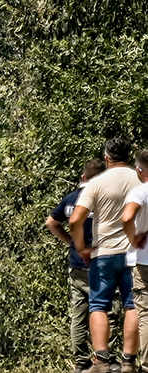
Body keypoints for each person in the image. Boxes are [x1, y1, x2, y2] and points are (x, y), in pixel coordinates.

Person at [72, 138, 142, 373]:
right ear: (130, 157)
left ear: (106, 158)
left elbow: (75, 220)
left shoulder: (97, 182)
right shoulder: (140, 178)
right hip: (134, 254)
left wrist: (82, 248)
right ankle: (128, 362)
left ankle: (101, 361)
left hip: (104, 253)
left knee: (99, 306)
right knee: (133, 305)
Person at [48, 157, 108, 373]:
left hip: (76, 264)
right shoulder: (104, 200)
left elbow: (51, 223)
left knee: (79, 313)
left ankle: (80, 362)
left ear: (83, 177)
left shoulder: (71, 199)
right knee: (103, 309)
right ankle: (103, 359)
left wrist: (70, 242)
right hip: (100, 263)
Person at [123, 151, 148, 368]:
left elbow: (127, 216)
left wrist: (133, 238)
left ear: (140, 170)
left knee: (146, 313)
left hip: (145, 259)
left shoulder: (140, 192)